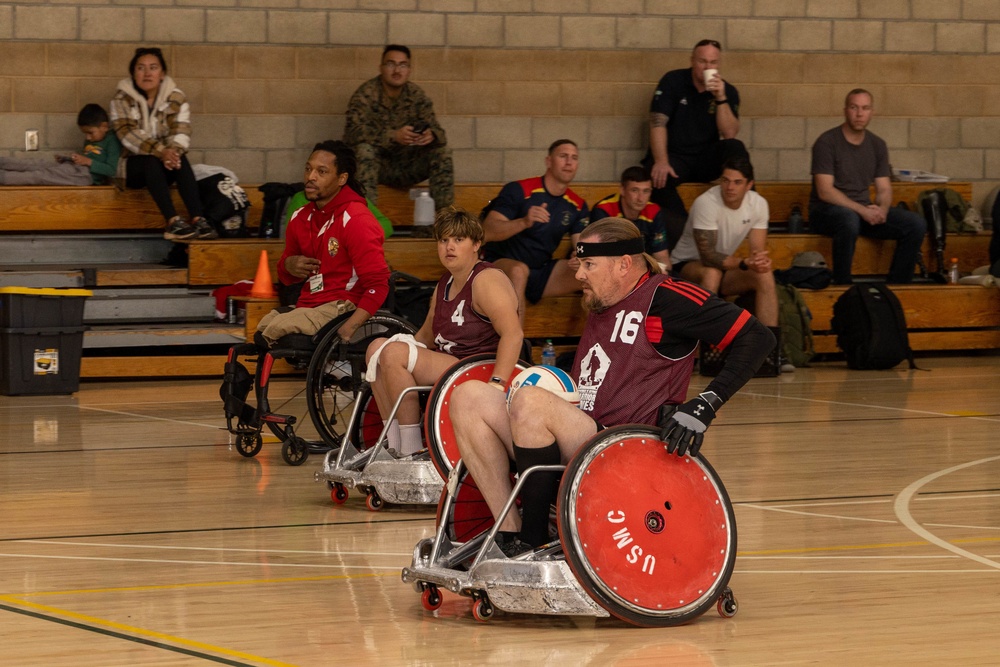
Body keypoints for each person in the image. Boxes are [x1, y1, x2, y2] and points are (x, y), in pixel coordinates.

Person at [451, 217, 773, 555]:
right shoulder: (602, 301)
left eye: (589, 264)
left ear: (623, 265)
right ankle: (509, 531)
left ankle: (533, 538)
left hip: (628, 446)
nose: (578, 275)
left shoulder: (665, 296)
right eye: (579, 264)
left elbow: (757, 338)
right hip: (584, 433)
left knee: (531, 401)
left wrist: (705, 404)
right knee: (469, 396)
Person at [364, 208, 522, 456]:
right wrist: (387, 349)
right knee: (377, 348)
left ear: (476, 244)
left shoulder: (486, 280)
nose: (449, 246)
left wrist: (497, 384)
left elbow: (514, 334)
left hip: (478, 367)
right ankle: (391, 444)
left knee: (394, 354)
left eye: (458, 240)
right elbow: (426, 338)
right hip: (450, 362)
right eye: (443, 240)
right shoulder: (444, 283)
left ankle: (410, 448)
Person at [254, 140, 390, 347]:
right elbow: (285, 276)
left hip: (344, 306)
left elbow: (379, 285)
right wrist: (289, 265)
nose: (311, 177)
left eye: (322, 172)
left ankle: (340, 368)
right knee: (264, 326)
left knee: (277, 329)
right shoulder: (301, 216)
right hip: (310, 304)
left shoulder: (356, 218)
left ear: (341, 178)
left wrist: (351, 327)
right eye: (308, 169)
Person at [809, 89, 927, 284]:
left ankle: (898, 286)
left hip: (861, 210)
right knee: (848, 220)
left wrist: (882, 209)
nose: (859, 113)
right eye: (854, 108)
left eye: (865, 108)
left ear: (872, 112)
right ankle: (842, 285)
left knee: (915, 224)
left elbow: (884, 189)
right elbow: (825, 191)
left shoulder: (877, 144)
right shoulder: (827, 142)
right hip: (826, 212)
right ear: (846, 110)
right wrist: (862, 210)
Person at [642, 39, 749, 239]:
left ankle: (749, 206)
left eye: (713, 62)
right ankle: (686, 230)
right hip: (675, 156)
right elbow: (657, 123)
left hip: (704, 159)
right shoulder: (673, 81)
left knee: (735, 146)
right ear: (692, 61)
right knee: (656, 177)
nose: (708, 67)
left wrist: (721, 98)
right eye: (703, 61)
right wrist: (661, 161)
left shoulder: (727, 91)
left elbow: (729, 133)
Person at [110, 46, 215, 241]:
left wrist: (172, 152)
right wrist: (161, 152)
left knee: (181, 158)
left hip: (164, 164)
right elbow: (128, 135)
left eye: (153, 67)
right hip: (131, 166)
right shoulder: (121, 98)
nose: (147, 73)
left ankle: (199, 218)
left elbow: (181, 131)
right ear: (133, 74)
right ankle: (172, 221)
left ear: (162, 73)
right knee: (150, 161)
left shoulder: (176, 97)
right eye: (141, 68)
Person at [670, 156, 779, 343]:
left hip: (724, 268)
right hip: (686, 266)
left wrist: (759, 261)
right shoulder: (707, 202)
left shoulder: (758, 204)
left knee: (764, 274)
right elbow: (709, 256)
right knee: (712, 273)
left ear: (749, 185)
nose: (730, 187)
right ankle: (703, 348)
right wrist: (744, 263)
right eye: (726, 181)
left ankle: (770, 348)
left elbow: (757, 250)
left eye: (737, 182)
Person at [481, 139, 590, 322]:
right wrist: (523, 222)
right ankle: (517, 347)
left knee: (593, 273)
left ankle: (602, 344)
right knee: (519, 271)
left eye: (574, 158)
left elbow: (581, 243)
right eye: (563, 156)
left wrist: (580, 257)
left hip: (540, 270)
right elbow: (487, 231)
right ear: (548, 161)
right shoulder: (520, 190)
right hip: (498, 264)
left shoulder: (577, 205)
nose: (569, 162)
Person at [344, 44, 454, 212]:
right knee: (364, 151)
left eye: (403, 65)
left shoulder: (416, 95)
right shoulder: (366, 94)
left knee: (442, 153)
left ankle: (445, 223)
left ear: (409, 69)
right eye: (391, 64)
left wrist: (430, 135)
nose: (397, 70)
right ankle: (366, 221)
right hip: (377, 167)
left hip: (408, 165)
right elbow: (352, 134)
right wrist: (392, 136)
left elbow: (440, 133)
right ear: (381, 68)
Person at [0, 104, 121, 186]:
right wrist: (67, 159)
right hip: (74, 168)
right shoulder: (92, 138)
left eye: (90, 133)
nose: (87, 138)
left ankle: (4, 177)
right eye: (85, 133)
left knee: (41, 176)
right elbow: (86, 158)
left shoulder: (112, 141)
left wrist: (88, 162)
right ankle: (2, 162)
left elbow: (111, 170)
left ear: (104, 126)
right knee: (37, 163)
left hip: (85, 176)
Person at [590, 166, 672, 270]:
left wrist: (663, 271)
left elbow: (662, 258)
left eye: (646, 191)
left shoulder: (653, 211)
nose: (640, 198)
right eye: (634, 190)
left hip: (641, 268)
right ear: (622, 190)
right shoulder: (604, 210)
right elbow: (601, 256)